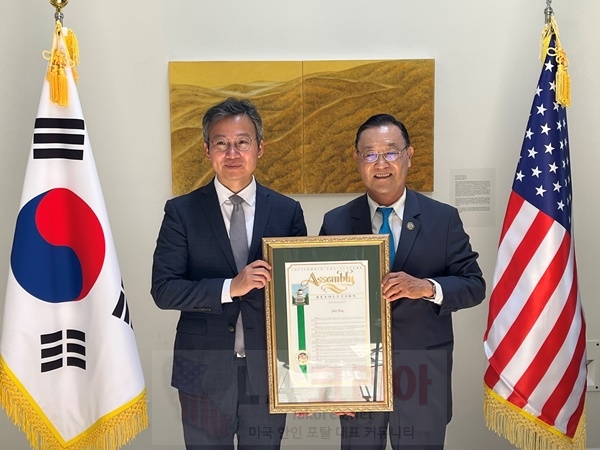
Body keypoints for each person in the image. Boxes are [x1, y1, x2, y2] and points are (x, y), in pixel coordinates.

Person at [319, 114, 485, 449]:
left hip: (423, 376)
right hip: (358, 381)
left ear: (409, 155)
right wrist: (329, 382)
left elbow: (473, 285)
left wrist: (426, 287)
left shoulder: (443, 219)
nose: (380, 163)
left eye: (391, 152)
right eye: (370, 154)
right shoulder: (336, 222)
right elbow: (322, 308)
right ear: (357, 159)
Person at [151, 98, 307, 449]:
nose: (232, 153)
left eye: (242, 142)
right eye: (221, 143)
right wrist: (230, 287)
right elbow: (164, 289)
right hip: (201, 370)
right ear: (207, 150)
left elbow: (299, 298)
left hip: (268, 373)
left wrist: (302, 375)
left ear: (260, 148)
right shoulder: (181, 212)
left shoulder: (287, 212)